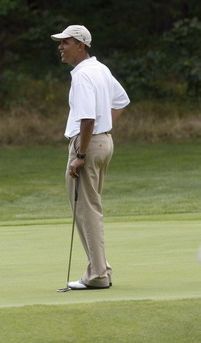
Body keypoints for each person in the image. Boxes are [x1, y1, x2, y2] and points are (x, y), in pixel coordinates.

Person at [50, 25, 130, 290]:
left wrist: (80, 154)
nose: (61, 47)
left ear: (81, 45)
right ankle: (99, 270)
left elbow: (87, 118)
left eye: (66, 42)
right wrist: (103, 129)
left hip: (88, 145)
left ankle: (97, 275)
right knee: (90, 208)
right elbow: (120, 102)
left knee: (86, 211)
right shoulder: (101, 69)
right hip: (103, 142)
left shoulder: (84, 75)